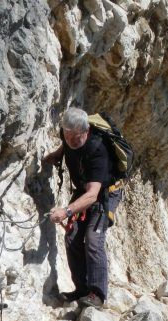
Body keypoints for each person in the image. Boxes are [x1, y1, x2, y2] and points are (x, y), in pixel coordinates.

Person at [44, 107, 112, 308]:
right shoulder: (68, 134)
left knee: (93, 239)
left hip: (103, 192)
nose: (71, 140)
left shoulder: (98, 149)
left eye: (76, 137)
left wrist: (66, 211)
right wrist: (57, 154)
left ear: (86, 131)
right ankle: (81, 290)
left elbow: (92, 195)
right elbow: (66, 145)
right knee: (72, 237)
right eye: (67, 135)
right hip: (85, 189)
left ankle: (97, 295)